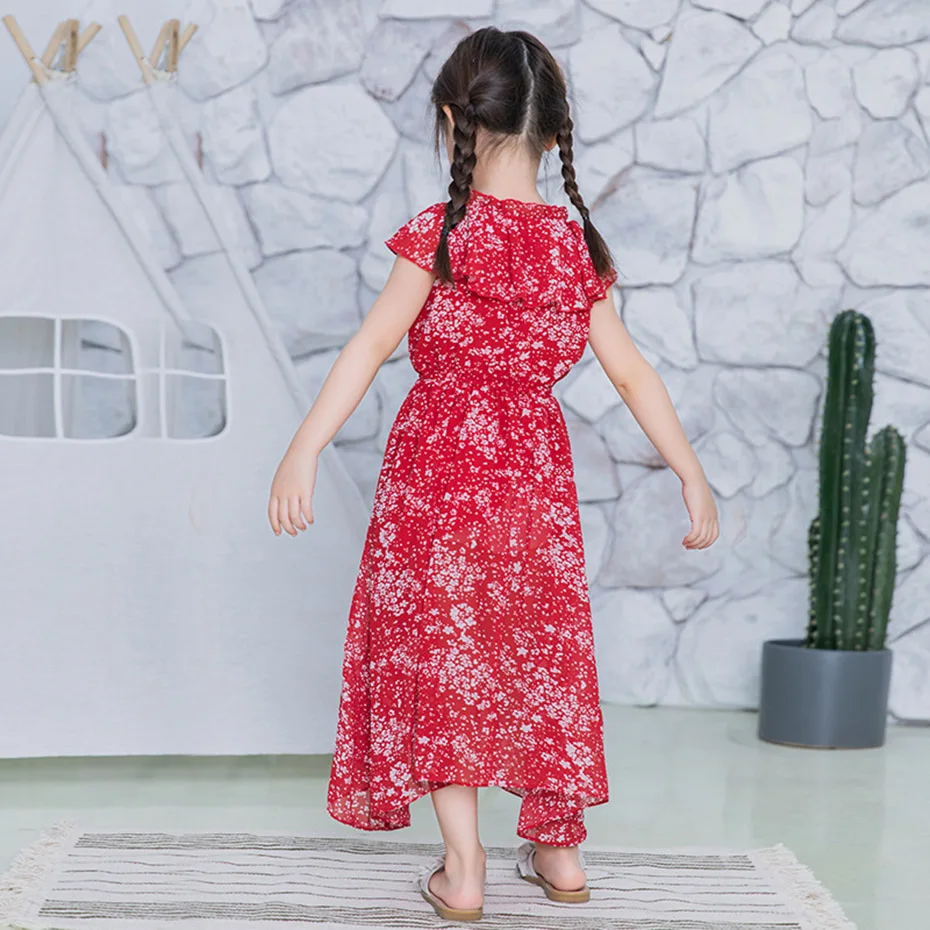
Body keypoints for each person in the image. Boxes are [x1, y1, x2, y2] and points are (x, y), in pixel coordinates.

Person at [268, 25, 719, 922]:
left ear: (452, 120)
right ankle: (560, 854)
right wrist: (690, 472)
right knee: (537, 653)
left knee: (448, 659)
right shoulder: (572, 248)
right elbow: (632, 373)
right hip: (532, 486)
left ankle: (464, 867)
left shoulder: (440, 235)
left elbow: (369, 347)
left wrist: (305, 446)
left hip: (435, 478)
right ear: (554, 132)